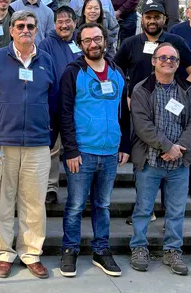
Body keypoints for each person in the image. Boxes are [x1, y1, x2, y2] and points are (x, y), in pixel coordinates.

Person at [0, 10, 59, 280]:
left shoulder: (46, 61)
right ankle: (4, 253)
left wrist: (50, 132)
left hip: (37, 144)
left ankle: (31, 252)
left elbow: (55, 103)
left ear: (37, 30)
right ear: (11, 30)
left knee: (34, 202)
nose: (25, 30)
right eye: (20, 25)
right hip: (2, 145)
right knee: (3, 201)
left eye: (30, 26)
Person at [59, 22, 130, 278]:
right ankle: (70, 250)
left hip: (110, 152)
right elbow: (64, 113)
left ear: (105, 41)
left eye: (97, 39)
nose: (93, 44)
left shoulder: (117, 72)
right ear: (80, 44)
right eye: (87, 40)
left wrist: (124, 144)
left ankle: (101, 250)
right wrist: (70, 150)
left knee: (103, 204)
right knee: (76, 205)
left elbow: (125, 113)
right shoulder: (73, 72)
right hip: (83, 152)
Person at [129, 43, 191, 276]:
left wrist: (179, 148)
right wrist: (167, 146)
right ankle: (139, 248)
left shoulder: (187, 90)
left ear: (178, 64)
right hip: (150, 162)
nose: (168, 61)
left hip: (179, 164)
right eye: (163, 57)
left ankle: (172, 250)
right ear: (154, 61)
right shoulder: (142, 89)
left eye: (173, 58)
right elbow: (142, 125)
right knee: (143, 209)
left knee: (176, 210)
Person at [37, 6, 82, 204]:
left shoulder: (81, 42)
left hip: (79, 104)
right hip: (53, 103)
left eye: (68, 21)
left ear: (75, 22)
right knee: (52, 148)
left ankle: (80, 189)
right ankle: (50, 187)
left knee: (78, 146)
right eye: (60, 22)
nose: (64, 25)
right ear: (54, 24)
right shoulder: (46, 44)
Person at [115, 3, 191, 97]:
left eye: (157, 17)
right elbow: (115, 74)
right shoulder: (130, 43)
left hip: (169, 103)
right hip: (137, 102)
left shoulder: (177, 42)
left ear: (164, 19)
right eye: (148, 17)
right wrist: (126, 97)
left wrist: (180, 93)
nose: (152, 21)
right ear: (142, 19)